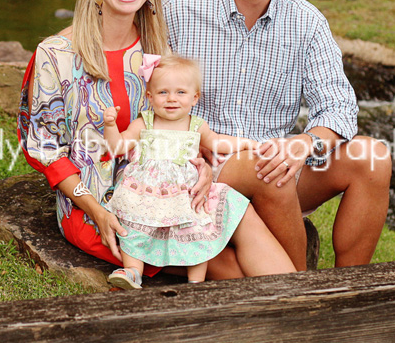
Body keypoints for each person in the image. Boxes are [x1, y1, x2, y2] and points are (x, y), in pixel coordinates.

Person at [163, 0, 395, 343]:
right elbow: (149, 96)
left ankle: (345, 297)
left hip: (278, 171)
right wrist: (199, 139)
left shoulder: (307, 21)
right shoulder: (179, 12)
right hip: (205, 171)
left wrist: (305, 142)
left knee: (373, 157)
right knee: (265, 164)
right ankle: (319, 325)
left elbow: (338, 105)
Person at [18, 0, 295, 285]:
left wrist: (202, 168)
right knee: (231, 268)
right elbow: (44, 149)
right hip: (104, 207)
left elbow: (180, 121)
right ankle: (324, 328)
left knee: (240, 218)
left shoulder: (156, 48)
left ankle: (332, 326)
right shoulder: (55, 55)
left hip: (172, 192)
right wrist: (96, 210)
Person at [101, 54, 290, 289]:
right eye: (163, 92)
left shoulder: (196, 125)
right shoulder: (144, 123)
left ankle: (196, 281)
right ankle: (132, 271)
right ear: (149, 97)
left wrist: (245, 144)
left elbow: (218, 142)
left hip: (186, 193)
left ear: (194, 98)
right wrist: (110, 126)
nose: (171, 99)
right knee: (135, 227)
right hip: (145, 192)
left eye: (180, 92)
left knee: (197, 230)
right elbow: (117, 146)